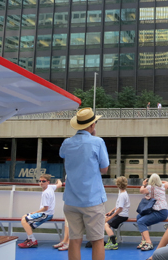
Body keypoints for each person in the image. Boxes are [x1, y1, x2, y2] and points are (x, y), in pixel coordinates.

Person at [59, 107, 109, 260]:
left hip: (71, 200)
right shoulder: (98, 142)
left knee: (74, 240)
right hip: (92, 200)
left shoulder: (67, 143)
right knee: (97, 240)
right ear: (92, 125)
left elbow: (62, 154)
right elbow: (104, 169)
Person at [18, 174, 62, 248]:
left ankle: (32, 241)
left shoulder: (46, 193)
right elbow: (59, 185)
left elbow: (45, 208)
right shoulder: (51, 187)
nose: (41, 183)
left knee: (24, 220)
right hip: (47, 213)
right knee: (24, 217)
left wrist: (35, 212)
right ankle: (30, 238)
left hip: (46, 214)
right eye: (40, 181)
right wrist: (59, 180)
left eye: (43, 181)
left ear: (48, 182)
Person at [137, 173, 168, 251]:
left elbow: (141, 190)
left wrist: (143, 184)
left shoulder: (149, 187)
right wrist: (158, 181)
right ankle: (144, 240)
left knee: (141, 222)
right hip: (164, 211)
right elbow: (167, 183)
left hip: (159, 212)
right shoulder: (163, 186)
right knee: (138, 217)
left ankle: (148, 243)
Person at [104, 176, 130, 250]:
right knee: (105, 219)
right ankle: (111, 238)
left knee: (106, 225)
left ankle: (113, 243)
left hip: (122, 215)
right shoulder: (122, 192)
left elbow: (120, 209)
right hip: (120, 213)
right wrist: (111, 211)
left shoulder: (122, 195)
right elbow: (118, 206)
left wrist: (110, 217)